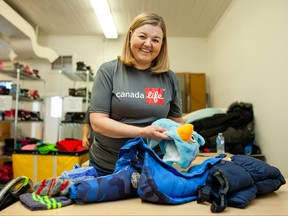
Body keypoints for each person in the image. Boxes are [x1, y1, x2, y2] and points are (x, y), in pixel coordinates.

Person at [89, 12, 183, 176]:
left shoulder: (170, 78)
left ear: (162, 44)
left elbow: (177, 124)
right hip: (109, 165)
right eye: (142, 36)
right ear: (131, 36)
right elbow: (97, 122)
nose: (148, 44)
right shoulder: (109, 71)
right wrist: (142, 132)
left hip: (154, 164)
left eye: (155, 40)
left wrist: (188, 143)